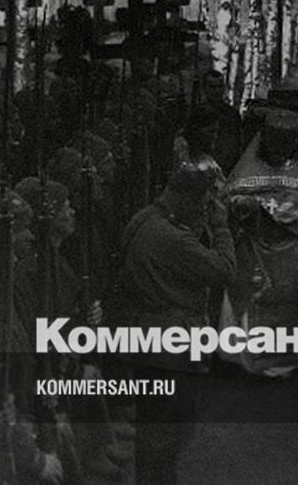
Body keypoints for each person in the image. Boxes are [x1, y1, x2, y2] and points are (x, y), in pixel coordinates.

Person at [113, 157, 237, 484]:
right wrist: (220, 228)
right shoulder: (171, 237)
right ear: (188, 199)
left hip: (148, 337)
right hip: (171, 346)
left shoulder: (145, 219)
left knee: (154, 432)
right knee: (168, 434)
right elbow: (224, 271)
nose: (206, 211)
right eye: (204, 204)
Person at [223, 110, 298, 377]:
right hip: (252, 247)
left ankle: (286, 358)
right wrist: (241, 206)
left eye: (286, 144)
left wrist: (266, 209)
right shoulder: (246, 170)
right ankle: (248, 357)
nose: (279, 152)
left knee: (289, 302)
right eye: (275, 143)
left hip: (288, 250)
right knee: (251, 300)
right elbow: (227, 200)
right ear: (264, 140)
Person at [202, 70, 244, 175]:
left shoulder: (232, 114)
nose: (216, 91)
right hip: (202, 171)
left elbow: (237, 144)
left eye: (219, 87)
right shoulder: (197, 114)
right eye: (212, 87)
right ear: (205, 89)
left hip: (227, 171)